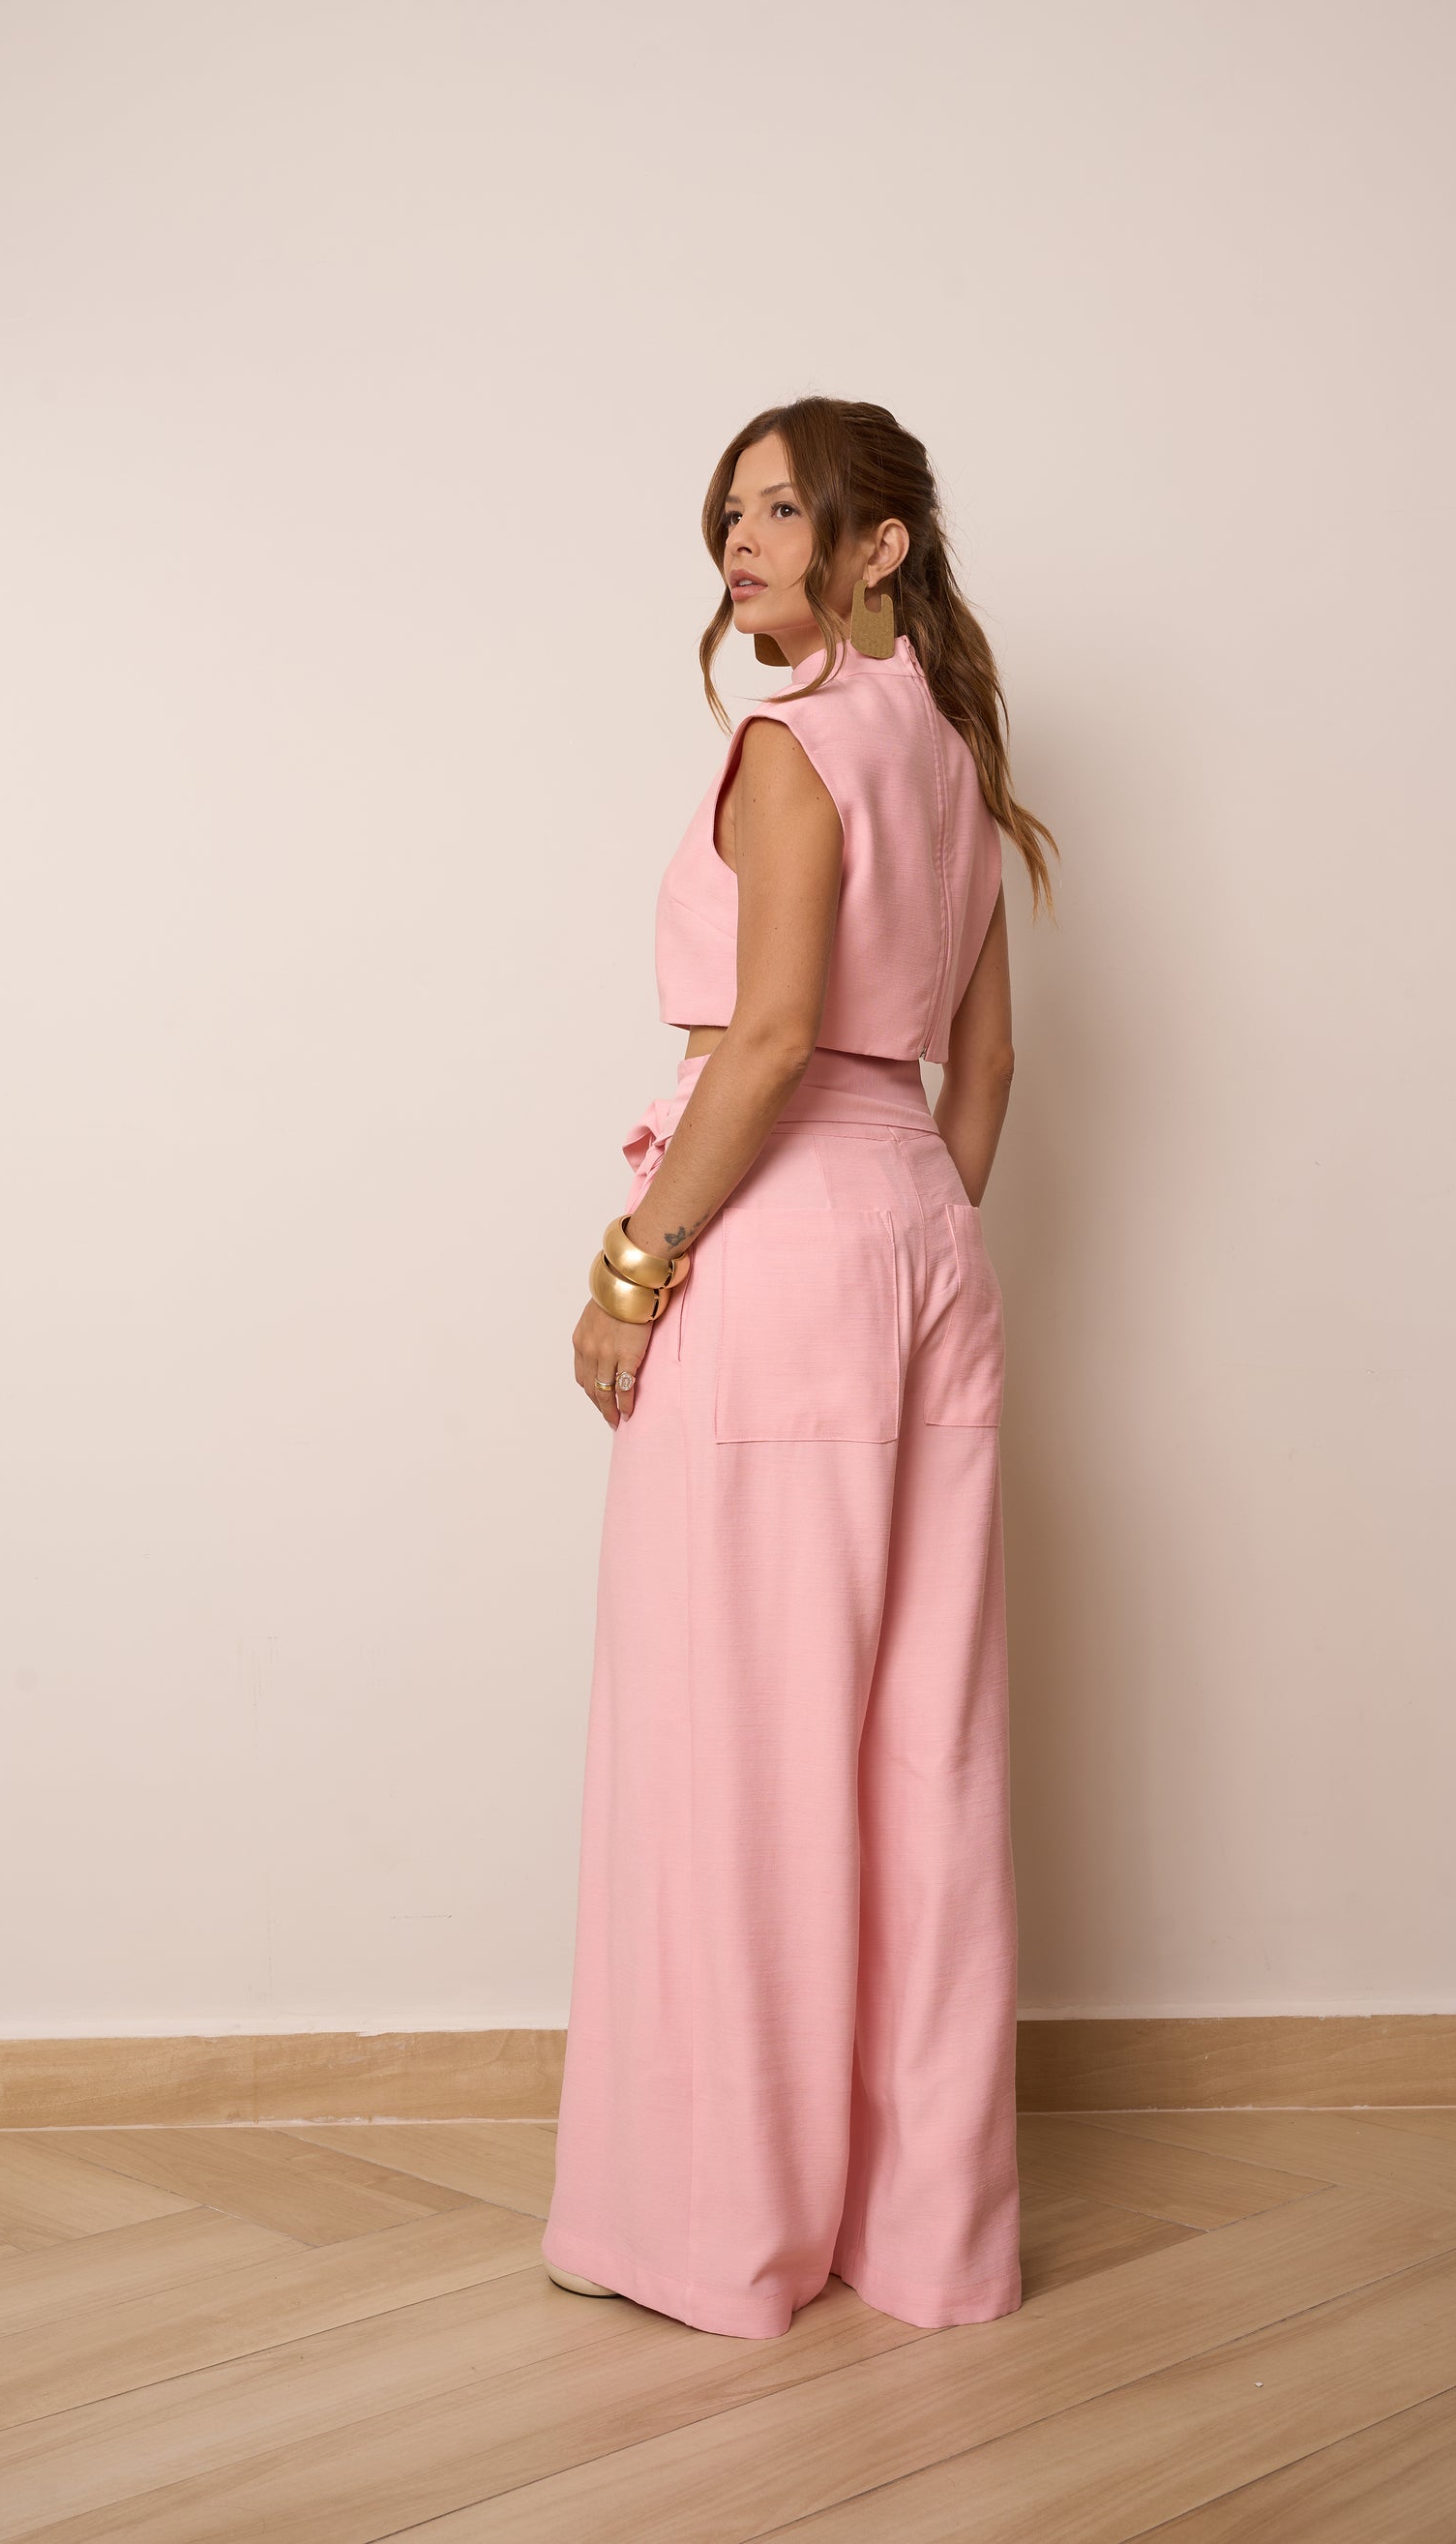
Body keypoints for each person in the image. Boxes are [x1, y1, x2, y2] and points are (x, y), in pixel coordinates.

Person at [541, 396, 1057, 2340]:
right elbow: (981, 1065)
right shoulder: (954, 761)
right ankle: (923, 2240)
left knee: (732, 1736)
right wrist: (908, 1219)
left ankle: (722, 2231)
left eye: (780, 507)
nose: (738, 541)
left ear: (876, 545)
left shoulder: (793, 745)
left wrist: (634, 1264)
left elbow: (764, 1042)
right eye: (728, 511)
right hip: (920, 1231)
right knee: (919, 1746)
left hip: (774, 1241)